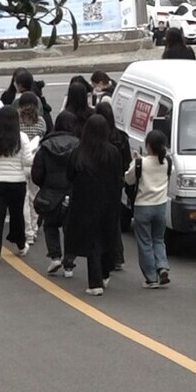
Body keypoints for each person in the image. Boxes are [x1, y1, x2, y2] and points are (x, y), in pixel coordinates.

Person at [64, 114, 124, 296]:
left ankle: (95, 282)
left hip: (84, 203)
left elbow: (69, 175)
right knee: (108, 236)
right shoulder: (113, 152)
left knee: (92, 242)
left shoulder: (79, 152)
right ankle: (105, 273)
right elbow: (119, 177)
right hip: (109, 201)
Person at [0, 105, 35, 263]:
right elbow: (27, 160)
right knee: (17, 216)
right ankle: (21, 245)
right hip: (17, 182)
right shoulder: (21, 137)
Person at [32, 112, 81, 277]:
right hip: (72, 194)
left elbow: (36, 173)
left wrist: (46, 185)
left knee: (50, 225)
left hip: (51, 193)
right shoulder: (78, 145)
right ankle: (69, 264)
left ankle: (55, 257)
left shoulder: (46, 146)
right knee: (71, 230)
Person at [124, 130, 173, 289]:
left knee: (145, 242)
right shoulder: (167, 162)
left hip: (143, 206)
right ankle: (162, 266)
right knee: (158, 239)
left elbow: (128, 179)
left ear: (148, 145)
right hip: (160, 206)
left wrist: (135, 161)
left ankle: (151, 278)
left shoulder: (140, 163)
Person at [93, 102, 130, 270]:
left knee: (98, 221)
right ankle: (117, 256)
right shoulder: (121, 138)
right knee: (113, 221)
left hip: (97, 183)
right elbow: (127, 163)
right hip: (116, 184)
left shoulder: (94, 140)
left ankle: (102, 255)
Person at [18, 91, 47, 244]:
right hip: (36, 163)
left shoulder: (17, 121)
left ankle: (27, 231)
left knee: (24, 200)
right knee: (34, 198)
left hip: (21, 163)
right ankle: (35, 229)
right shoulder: (41, 122)